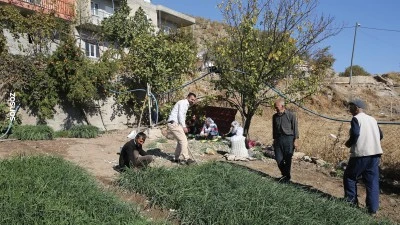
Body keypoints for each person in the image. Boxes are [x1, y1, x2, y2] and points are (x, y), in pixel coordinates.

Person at [344, 99, 383, 215]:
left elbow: (355, 134)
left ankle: (350, 202)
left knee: (349, 177)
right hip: (375, 154)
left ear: (357, 108)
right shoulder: (372, 119)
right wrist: (372, 142)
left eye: (351, 107)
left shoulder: (356, 119)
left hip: (361, 154)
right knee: (372, 181)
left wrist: (349, 143)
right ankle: (372, 209)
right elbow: (381, 135)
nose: (349, 110)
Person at [272, 98, 299, 182]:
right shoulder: (274, 116)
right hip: (278, 139)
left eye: (277, 107)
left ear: (282, 106)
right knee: (278, 158)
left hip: (288, 139)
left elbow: (295, 128)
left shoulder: (291, 115)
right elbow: (274, 129)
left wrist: (296, 140)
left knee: (287, 159)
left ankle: (285, 177)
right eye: (275, 107)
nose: (275, 109)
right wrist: (274, 139)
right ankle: (286, 175)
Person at [167, 93, 197, 165]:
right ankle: (187, 159)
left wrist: (182, 125)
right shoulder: (183, 103)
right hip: (174, 124)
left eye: (194, 100)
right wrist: (184, 126)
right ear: (187, 97)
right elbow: (180, 115)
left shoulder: (185, 104)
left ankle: (175, 158)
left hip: (175, 124)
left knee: (180, 141)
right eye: (192, 99)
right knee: (183, 140)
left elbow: (182, 115)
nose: (193, 101)